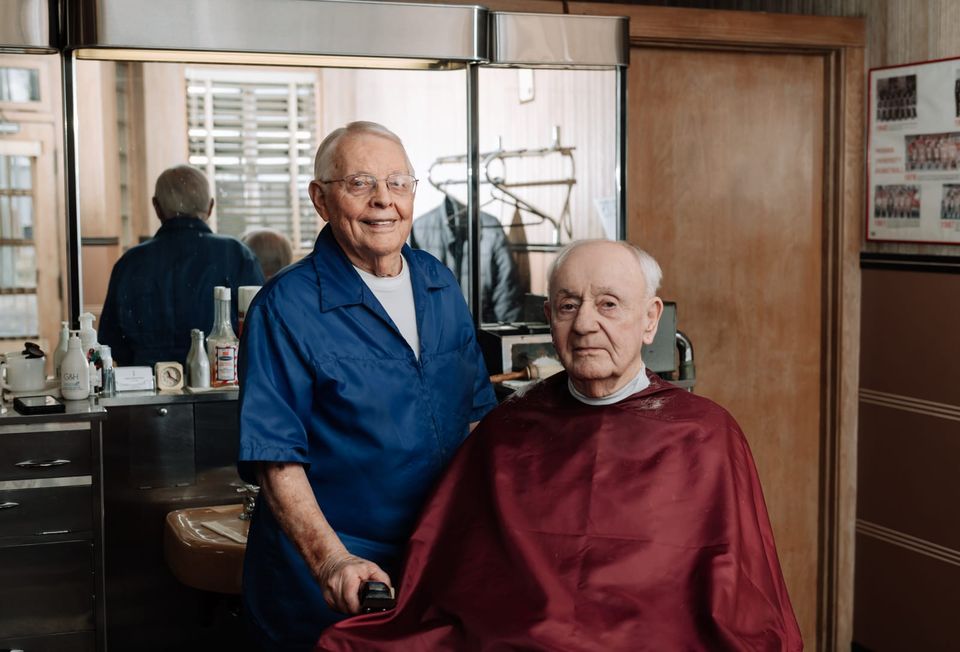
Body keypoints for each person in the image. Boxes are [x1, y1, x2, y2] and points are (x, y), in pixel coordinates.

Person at [317, 239, 803, 651]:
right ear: (550, 318)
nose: (586, 324)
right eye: (569, 305)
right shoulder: (506, 431)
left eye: (609, 304)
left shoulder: (706, 435)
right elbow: (448, 577)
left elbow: (744, 600)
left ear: (650, 319)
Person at [237, 121, 497, 652]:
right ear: (321, 199)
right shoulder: (285, 307)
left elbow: (476, 420)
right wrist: (332, 560)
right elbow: (275, 457)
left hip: (429, 562)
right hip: (327, 578)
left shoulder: (439, 284)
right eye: (360, 184)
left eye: (397, 183)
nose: (384, 201)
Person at [98, 165, 264, 367]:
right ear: (211, 207)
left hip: (146, 388)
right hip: (220, 386)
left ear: (157, 207)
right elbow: (260, 331)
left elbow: (110, 341)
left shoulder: (130, 262)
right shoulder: (237, 255)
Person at [410, 195, 522, 323]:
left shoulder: (491, 229)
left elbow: (506, 293)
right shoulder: (418, 229)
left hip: (477, 335)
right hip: (442, 335)